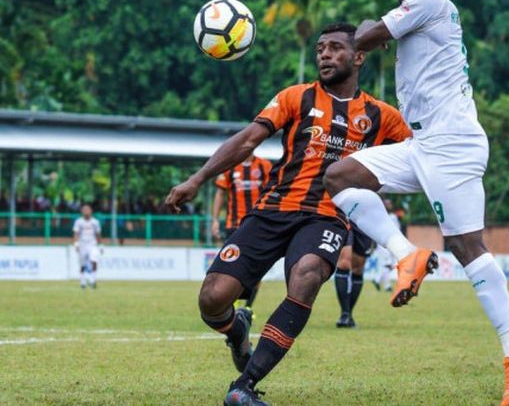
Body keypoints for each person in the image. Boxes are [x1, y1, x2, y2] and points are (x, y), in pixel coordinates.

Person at [322, 0, 509, 405]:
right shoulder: (421, 7)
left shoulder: (430, 3)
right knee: (340, 176)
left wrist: (368, 29)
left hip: (452, 143)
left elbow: (362, 38)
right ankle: (406, 255)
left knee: (467, 247)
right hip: (423, 144)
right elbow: (370, 36)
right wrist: (372, 30)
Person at [165, 23, 411, 406]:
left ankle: (243, 386)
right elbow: (248, 139)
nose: (325, 55)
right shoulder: (296, 98)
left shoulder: (383, 117)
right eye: (320, 49)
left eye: (334, 48)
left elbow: (421, 158)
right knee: (212, 300)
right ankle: (237, 331)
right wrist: (197, 179)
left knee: (307, 276)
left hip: (326, 217)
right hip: (272, 211)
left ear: (359, 56)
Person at [213, 154, 273, 311]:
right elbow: (220, 193)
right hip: (234, 224)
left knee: (257, 267)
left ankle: (248, 307)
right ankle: (233, 303)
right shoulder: (230, 165)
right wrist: (214, 220)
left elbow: (273, 190)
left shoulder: (264, 165)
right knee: (232, 266)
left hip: (258, 223)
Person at [334, 222, 375, 328]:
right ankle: (345, 314)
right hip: (344, 216)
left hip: (365, 220)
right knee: (343, 263)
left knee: (358, 268)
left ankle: (349, 314)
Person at [72, 204, 102, 289]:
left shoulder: (95, 222)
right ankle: (83, 281)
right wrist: (76, 243)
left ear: (91, 211)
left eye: (87, 210)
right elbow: (76, 233)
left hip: (92, 244)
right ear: (82, 212)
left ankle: (93, 280)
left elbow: (98, 234)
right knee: (82, 264)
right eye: (84, 210)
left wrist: (101, 245)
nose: (86, 212)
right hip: (82, 244)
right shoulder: (79, 222)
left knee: (94, 260)